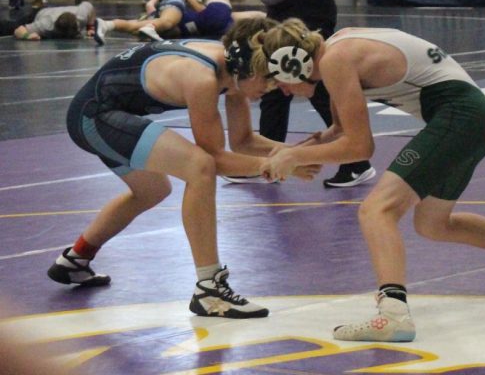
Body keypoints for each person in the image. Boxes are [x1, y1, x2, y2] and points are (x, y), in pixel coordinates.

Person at [257, 18, 485, 341]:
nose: (281, 90)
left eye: (278, 80)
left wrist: (295, 157)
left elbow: (360, 146)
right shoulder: (338, 48)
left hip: (459, 117)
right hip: (471, 118)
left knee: (376, 210)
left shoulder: (336, 60)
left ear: (293, 63)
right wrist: (291, 153)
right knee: (433, 224)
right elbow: (339, 132)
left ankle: (393, 314)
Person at [46, 17, 321, 319]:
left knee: (153, 190)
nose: (275, 89)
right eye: (269, 81)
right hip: (94, 115)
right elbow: (215, 160)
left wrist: (292, 153)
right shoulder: (202, 78)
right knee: (198, 166)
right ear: (250, 68)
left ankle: (76, 259)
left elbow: (243, 142)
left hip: (106, 112)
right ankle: (209, 288)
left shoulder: (233, 71)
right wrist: (278, 165)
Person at [226, 0, 375, 188]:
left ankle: (356, 160)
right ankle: (270, 161)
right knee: (277, 84)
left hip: (307, 7)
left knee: (316, 79)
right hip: (280, 10)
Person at [93, 0, 264, 45]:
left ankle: (107, 24)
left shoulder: (166, 11)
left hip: (213, 23)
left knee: (149, 24)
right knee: (158, 23)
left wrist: (151, 3)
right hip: (216, 26)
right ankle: (106, 25)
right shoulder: (168, 8)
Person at [13, 1, 97, 41]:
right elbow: (19, 30)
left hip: (53, 11)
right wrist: (27, 36)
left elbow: (89, 6)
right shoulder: (45, 24)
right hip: (39, 14)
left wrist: (90, 27)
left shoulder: (81, 15)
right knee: (9, 27)